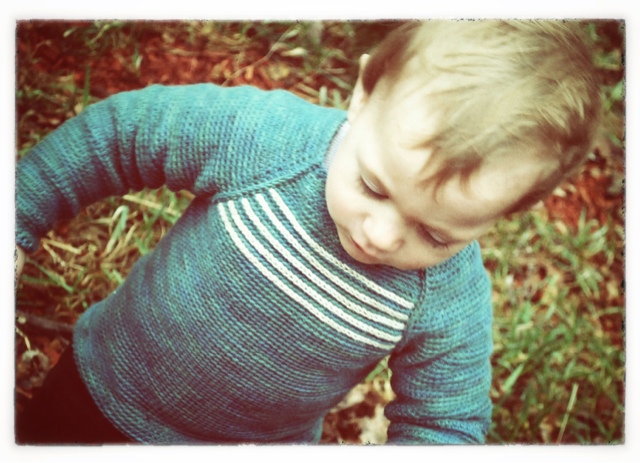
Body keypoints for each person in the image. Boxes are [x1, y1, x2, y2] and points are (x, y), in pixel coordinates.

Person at [15, 20, 601, 444]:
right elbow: (124, 137)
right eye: (372, 186)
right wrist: (19, 213)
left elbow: (444, 421)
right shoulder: (266, 141)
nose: (381, 235)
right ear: (363, 95)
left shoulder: (448, 297)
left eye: (435, 235)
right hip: (101, 385)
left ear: (506, 214)